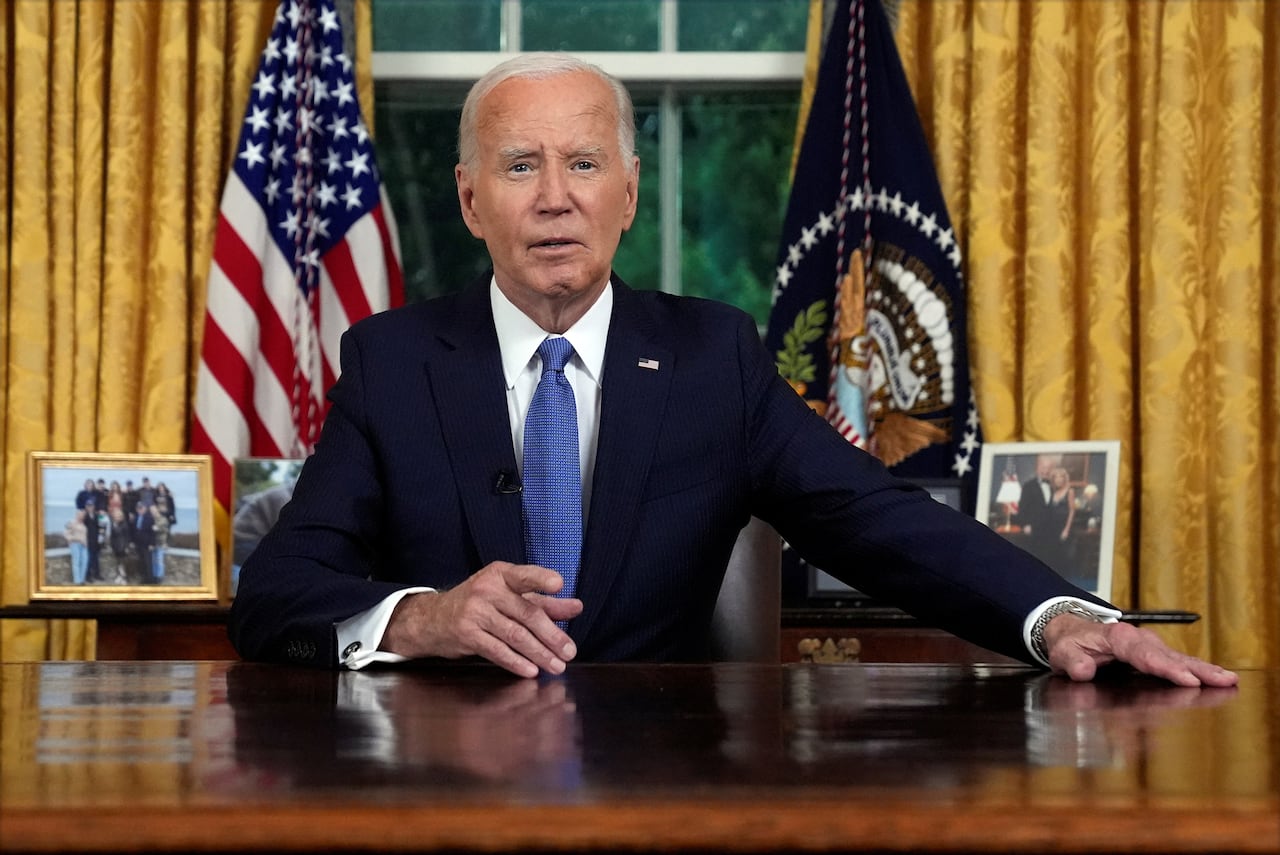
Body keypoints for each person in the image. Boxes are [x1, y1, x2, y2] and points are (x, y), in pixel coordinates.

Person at [228, 53, 1235, 691]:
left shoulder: (714, 358)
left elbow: (878, 523)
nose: (553, 199)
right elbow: (279, 591)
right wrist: (426, 616)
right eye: (519, 165)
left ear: (627, 194)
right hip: (434, 780)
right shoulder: (394, 361)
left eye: (582, 165)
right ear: (468, 199)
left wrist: (1059, 618)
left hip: (659, 776)